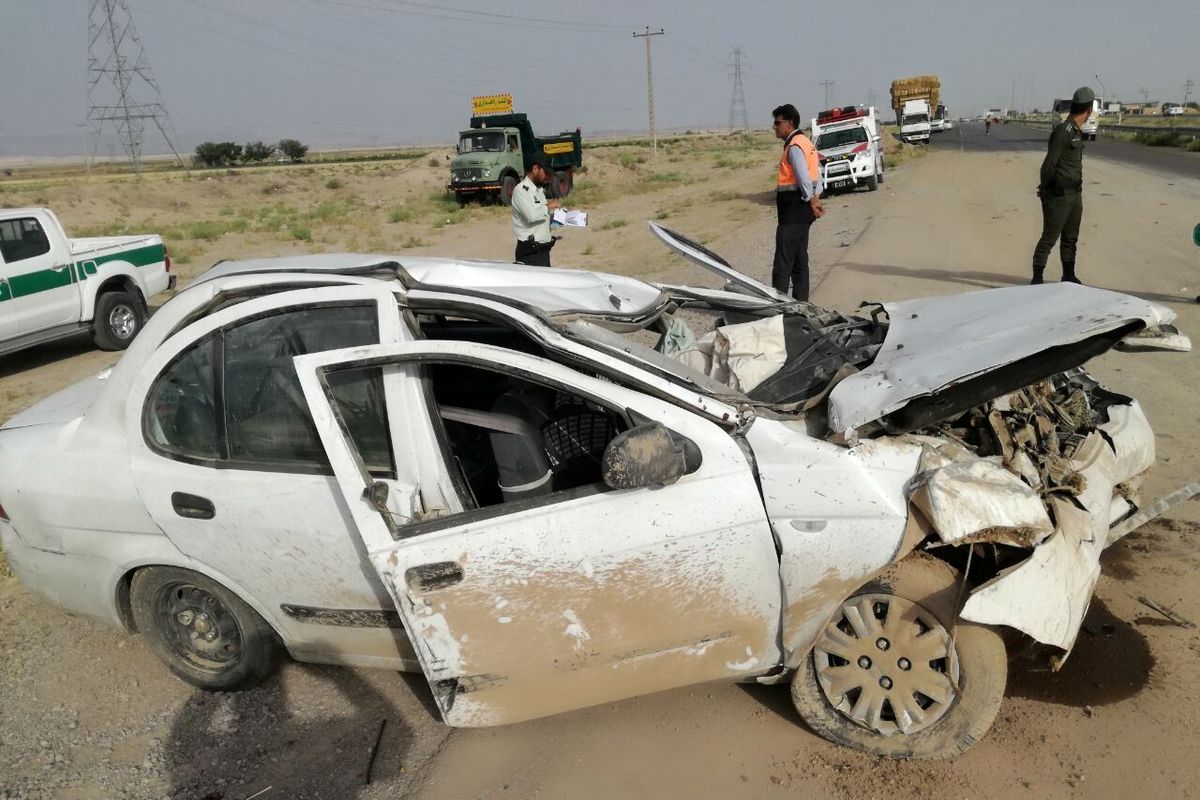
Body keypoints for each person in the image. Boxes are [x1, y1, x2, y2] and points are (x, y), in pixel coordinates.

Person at [1031, 86, 1093, 285]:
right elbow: (1049, 164)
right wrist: (1045, 188)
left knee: (1071, 237)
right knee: (1049, 237)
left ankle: (1068, 275)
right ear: (1089, 109)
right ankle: (1037, 278)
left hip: (1075, 193)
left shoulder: (1076, 131)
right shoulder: (1063, 131)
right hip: (1059, 195)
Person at [770, 104, 824, 301]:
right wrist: (815, 200)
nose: (774, 127)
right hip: (801, 215)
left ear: (789, 123)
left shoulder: (794, 147)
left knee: (783, 263)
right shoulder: (806, 142)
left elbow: (804, 179)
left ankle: (779, 307)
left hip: (793, 213)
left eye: (777, 122)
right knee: (800, 261)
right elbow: (818, 176)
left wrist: (811, 201)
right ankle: (801, 305)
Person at [511, 154, 561, 267]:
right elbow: (531, 215)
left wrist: (560, 217)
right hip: (530, 252)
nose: (547, 177)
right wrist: (548, 207)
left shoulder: (538, 191)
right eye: (546, 173)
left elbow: (542, 217)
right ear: (535, 169)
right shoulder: (521, 190)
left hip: (543, 251)